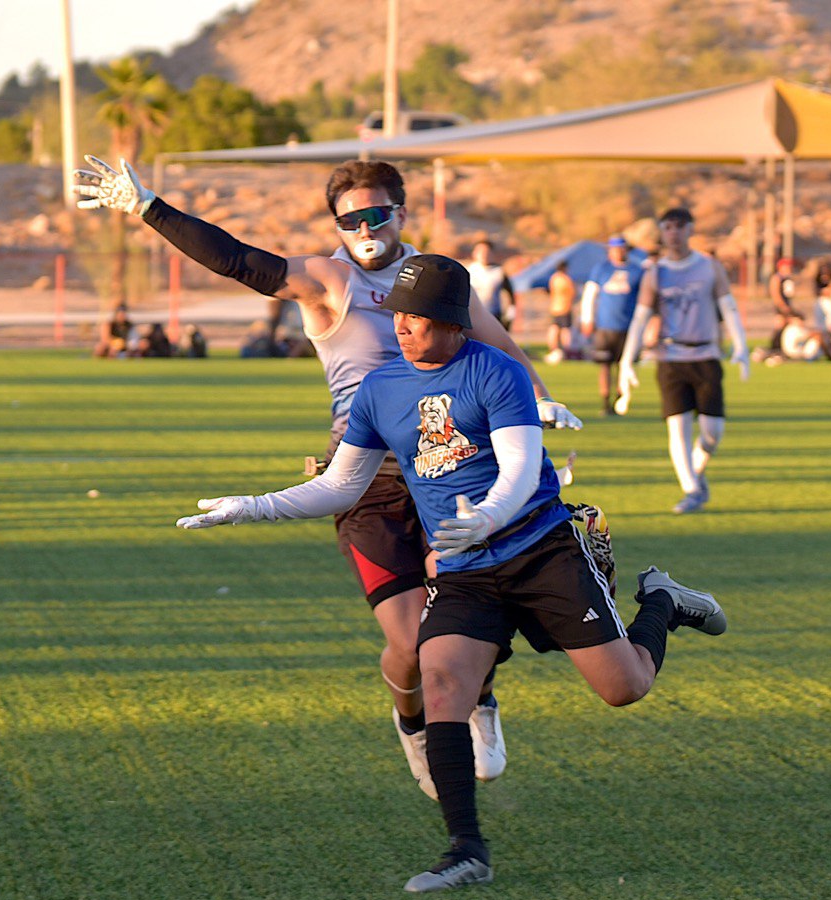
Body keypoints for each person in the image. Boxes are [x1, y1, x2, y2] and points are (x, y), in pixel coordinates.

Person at [176, 253, 727, 892]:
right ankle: (467, 851)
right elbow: (342, 485)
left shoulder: (495, 370)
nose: (401, 327)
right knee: (440, 684)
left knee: (623, 688)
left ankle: (660, 599)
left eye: (416, 316)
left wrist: (488, 518)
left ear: (454, 321)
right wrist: (254, 507)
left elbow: (521, 470)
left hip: (538, 548)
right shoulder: (381, 388)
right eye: (397, 314)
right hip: (465, 567)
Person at [74, 155, 582, 801]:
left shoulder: (435, 279)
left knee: (459, 617)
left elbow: (503, 349)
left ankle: (479, 696)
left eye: (376, 213)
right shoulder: (327, 279)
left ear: (401, 211)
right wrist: (151, 208)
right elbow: (239, 260)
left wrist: (533, 410)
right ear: (336, 224)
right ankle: (413, 722)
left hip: (448, 469)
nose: (364, 226)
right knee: (410, 640)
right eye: (350, 218)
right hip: (364, 475)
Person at [617, 207, 750, 515]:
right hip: (670, 357)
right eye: (667, 227)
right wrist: (627, 362)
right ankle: (691, 490)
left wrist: (741, 346)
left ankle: (697, 472)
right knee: (677, 428)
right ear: (661, 232)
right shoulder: (655, 272)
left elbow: (729, 308)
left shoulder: (709, 267)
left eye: (679, 226)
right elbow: (640, 319)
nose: (673, 232)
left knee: (712, 432)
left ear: (690, 229)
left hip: (705, 355)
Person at [581, 236, 645, 414]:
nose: (618, 252)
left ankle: (620, 397)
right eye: (614, 248)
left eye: (621, 248)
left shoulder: (637, 270)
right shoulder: (601, 269)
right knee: (604, 364)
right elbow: (590, 294)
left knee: (624, 365)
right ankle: (605, 400)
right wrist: (587, 318)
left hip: (628, 326)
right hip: (605, 325)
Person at [465, 239, 517, 331]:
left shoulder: (499, 272)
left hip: (493, 315)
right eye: (480, 251)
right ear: (474, 253)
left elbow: (510, 295)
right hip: (472, 315)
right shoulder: (468, 271)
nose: (484, 254)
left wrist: (510, 316)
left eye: (487, 251)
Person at [544, 260, 578, 363]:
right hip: (564, 308)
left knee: (554, 328)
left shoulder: (553, 278)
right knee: (565, 330)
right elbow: (572, 293)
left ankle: (553, 349)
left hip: (554, 308)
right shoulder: (565, 279)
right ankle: (566, 351)